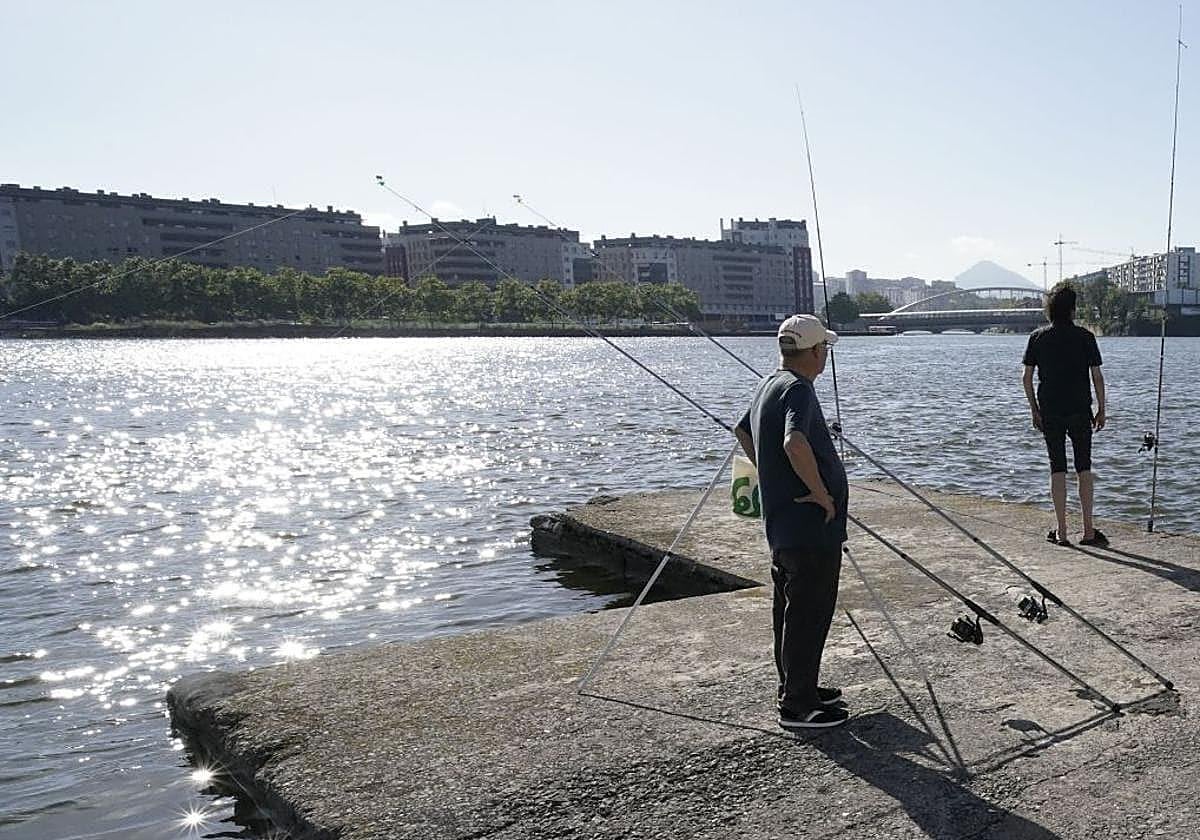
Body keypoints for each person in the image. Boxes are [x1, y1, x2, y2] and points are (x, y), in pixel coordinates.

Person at [735, 313, 850, 730]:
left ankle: (797, 686)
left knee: (788, 609)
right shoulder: (799, 389)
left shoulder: (769, 384)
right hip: (809, 526)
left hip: (783, 523)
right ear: (815, 351)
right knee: (808, 613)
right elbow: (794, 442)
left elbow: (742, 431)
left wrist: (773, 474)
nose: (825, 356)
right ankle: (799, 706)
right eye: (825, 349)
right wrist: (819, 492)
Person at [1022, 282, 1108, 547]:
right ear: (1073, 309)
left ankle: (1061, 532)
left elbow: (1026, 378)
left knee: (1057, 467)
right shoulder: (1085, 337)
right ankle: (1088, 532)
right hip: (1080, 410)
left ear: (1050, 309)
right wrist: (1102, 409)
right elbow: (1097, 377)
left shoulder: (1037, 337)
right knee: (1084, 467)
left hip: (1050, 410)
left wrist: (1034, 409)